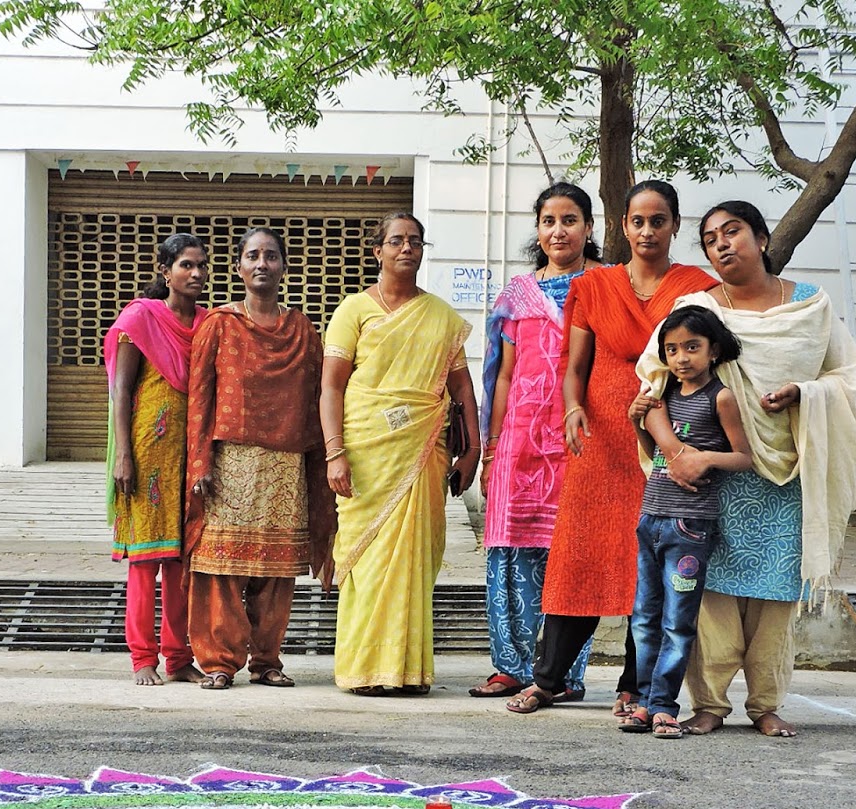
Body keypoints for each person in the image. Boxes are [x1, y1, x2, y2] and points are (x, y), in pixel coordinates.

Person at [634, 199, 856, 737]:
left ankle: (765, 704)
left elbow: (845, 377)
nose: (721, 243)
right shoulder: (696, 310)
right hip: (709, 483)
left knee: (776, 595)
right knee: (709, 595)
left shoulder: (810, 305)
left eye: (732, 231)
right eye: (710, 238)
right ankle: (709, 704)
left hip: (785, 473)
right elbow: (654, 383)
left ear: (761, 238)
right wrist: (677, 454)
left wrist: (803, 393)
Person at [508, 181, 715, 715]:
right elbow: (573, 365)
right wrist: (572, 408)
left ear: (674, 226)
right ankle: (548, 679)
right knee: (578, 556)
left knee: (646, 561)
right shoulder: (596, 285)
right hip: (598, 440)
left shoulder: (698, 289)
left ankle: (635, 685)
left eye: (658, 221)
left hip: (664, 438)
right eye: (637, 221)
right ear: (622, 226)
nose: (647, 231)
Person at [320, 213, 481, 695]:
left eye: (415, 241)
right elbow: (331, 387)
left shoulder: (441, 317)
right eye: (396, 241)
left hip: (423, 451)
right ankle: (364, 670)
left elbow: (462, 389)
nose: (406, 248)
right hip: (366, 454)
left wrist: (472, 450)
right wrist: (334, 452)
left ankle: (408, 672)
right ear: (378, 251)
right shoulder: (353, 310)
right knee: (367, 560)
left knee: (413, 560)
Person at [185, 228, 334, 690]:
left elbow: (319, 400)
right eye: (253, 256)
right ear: (239, 268)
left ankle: (267, 660)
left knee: (277, 569)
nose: (262, 264)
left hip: (286, 467)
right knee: (221, 567)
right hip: (230, 465)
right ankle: (218, 662)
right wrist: (200, 462)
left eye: (271, 256)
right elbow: (200, 399)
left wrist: (323, 466)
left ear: (283, 266)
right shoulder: (220, 324)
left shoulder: (303, 330)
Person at [470, 183, 603, 700]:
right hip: (519, 445)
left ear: (588, 228)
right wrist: (492, 448)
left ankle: (562, 673)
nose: (558, 231)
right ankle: (510, 666)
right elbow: (502, 375)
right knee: (509, 553)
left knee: (571, 554)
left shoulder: (604, 287)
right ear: (538, 229)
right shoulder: (517, 296)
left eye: (570, 220)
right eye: (549, 221)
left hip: (580, 441)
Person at [622, 306, 754, 737]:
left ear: (713, 350)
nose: (682, 358)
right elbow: (655, 456)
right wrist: (637, 422)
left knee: (677, 623)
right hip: (651, 518)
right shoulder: (663, 396)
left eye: (692, 347)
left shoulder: (721, 397)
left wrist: (704, 459)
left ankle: (663, 705)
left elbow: (744, 457)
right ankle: (644, 702)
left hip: (690, 527)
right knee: (643, 619)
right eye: (672, 349)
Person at [105, 233, 210, 686]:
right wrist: (123, 456)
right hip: (146, 454)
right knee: (146, 561)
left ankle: (179, 657)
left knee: (182, 563)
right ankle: (142, 658)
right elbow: (121, 390)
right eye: (186, 265)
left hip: (191, 455)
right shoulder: (141, 319)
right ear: (165, 271)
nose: (196, 273)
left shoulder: (209, 323)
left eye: (202, 265)